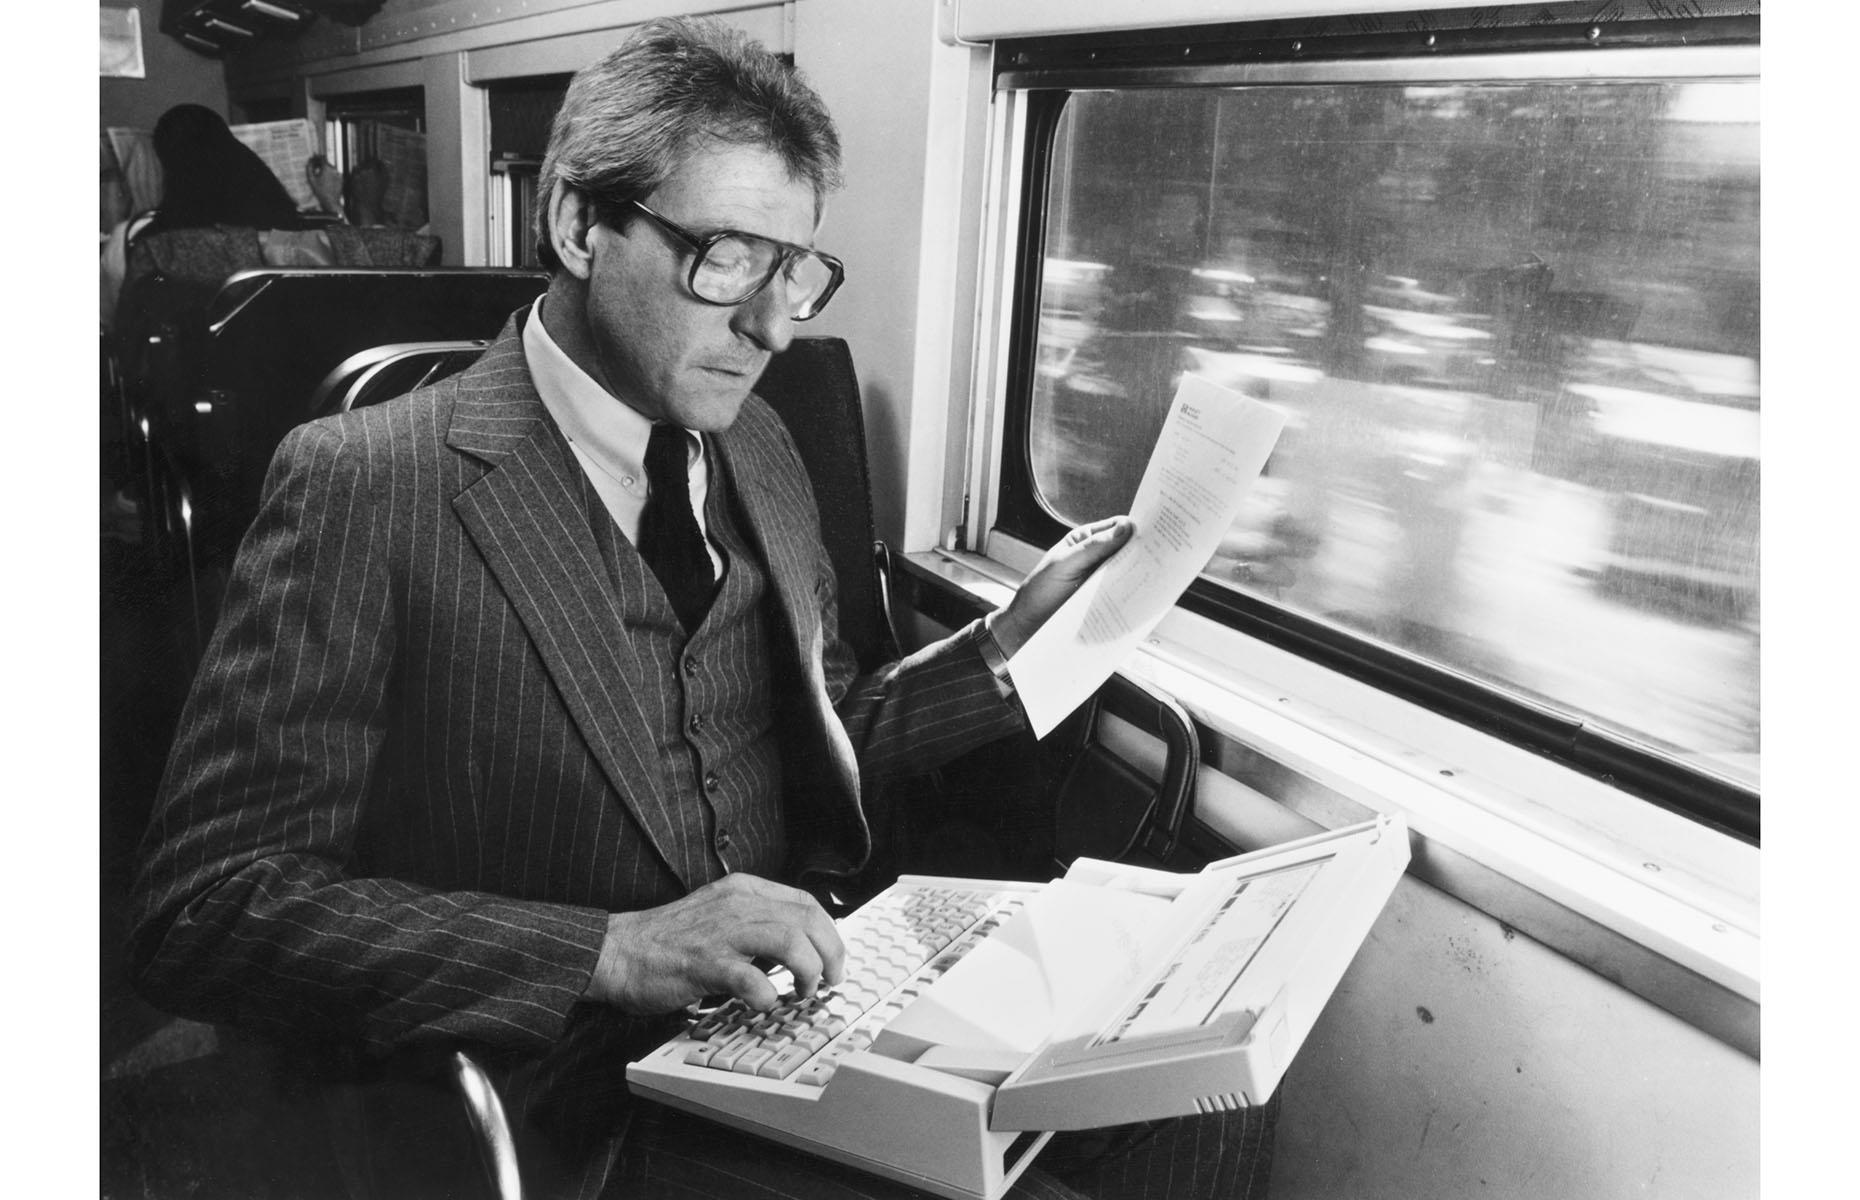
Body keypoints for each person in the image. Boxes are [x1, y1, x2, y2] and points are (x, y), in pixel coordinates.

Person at [127, 18, 1272, 1199]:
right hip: (579, 1086)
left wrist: (1007, 644)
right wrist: (614, 951)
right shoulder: (367, 487)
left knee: (1204, 1100)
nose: (776, 326)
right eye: (727, 257)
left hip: (804, 1001)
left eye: (796, 269)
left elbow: (816, 737)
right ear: (580, 225)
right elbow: (204, 909)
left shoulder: (759, 444)